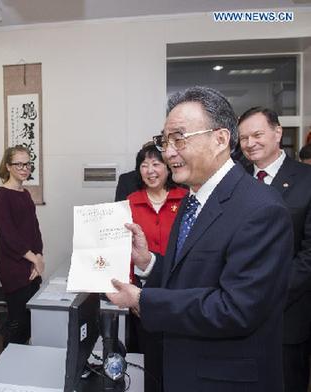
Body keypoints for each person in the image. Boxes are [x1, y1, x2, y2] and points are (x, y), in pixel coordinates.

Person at [106, 86, 293, 392]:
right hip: (184, 367)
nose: (168, 152)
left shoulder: (261, 209)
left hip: (225, 379)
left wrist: (142, 299)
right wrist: (149, 262)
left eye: (179, 139)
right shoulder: (194, 198)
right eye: (165, 141)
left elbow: (235, 308)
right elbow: (193, 275)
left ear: (220, 139)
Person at [238, 107, 311, 392]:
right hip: (237, 313)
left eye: (257, 134)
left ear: (277, 132)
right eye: (244, 138)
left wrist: (272, 293)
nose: (250, 143)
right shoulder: (236, 179)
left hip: (288, 314)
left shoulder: (306, 179)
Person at [126, 142, 187, 392]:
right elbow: (124, 253)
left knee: (180, 356)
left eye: (156, 163)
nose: (150, 170)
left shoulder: (185, 198)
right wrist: (131, 294)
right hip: (144, 292)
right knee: (149, 357)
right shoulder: (131, 202)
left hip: (181, 290)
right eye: (144, 165)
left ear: (168, 167)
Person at [0, 145, 44, 347]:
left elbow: (34, 230)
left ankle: (23, 368)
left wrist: (38, 257)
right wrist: (33, 259)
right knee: (18, 324)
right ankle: (8, 369)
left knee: (31, 322)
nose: (24, 168)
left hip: (31, 264)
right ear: (8, 166)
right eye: (18, 164)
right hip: (13, 267)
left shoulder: (25, 193)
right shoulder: (1, 195)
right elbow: (7, 235)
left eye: (27, 163)